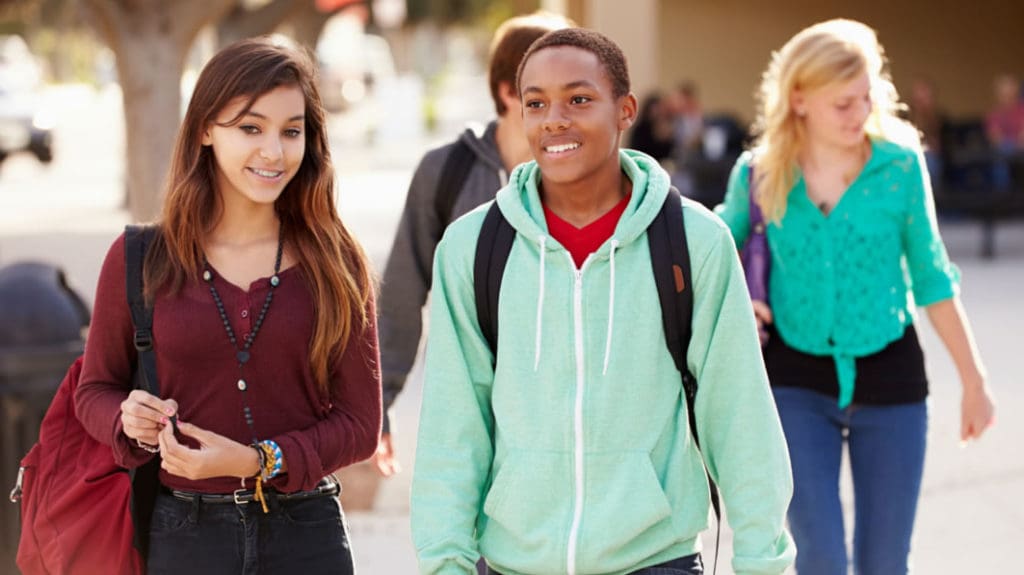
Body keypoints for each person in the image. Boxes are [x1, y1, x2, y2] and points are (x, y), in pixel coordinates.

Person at [411, 28, 795, 575]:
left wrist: (763, 561)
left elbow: (739, 417)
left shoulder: (695, 243)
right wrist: (445, 564)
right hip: (514, 562)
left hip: (654, 559)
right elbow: (454, 426)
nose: (555, 119)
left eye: (579, 99)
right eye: (536, 103)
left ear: (625, 110)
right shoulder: (474, 248)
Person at [74, 37, 382, 575]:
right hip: (182, 538)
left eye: (291, 131)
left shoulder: (337, 263)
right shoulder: (140, 257)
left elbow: (360, 423)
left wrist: (259, 460)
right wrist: (128, 418)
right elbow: (93, 391)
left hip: (307, 536)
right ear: (205, 131)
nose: (274, 152)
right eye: (250, 128)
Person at [715, 19, 997, 575]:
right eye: (842, 102)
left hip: (892, 381)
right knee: (819, 560)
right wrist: (739, 300)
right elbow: (713, 253)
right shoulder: (759, 174)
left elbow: (933, 278)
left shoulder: (900, 167)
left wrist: (974, 379)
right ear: (799, 100)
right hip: (794, 383)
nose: (860, 112)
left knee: (885, 564)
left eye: (867, 96)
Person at [374, 11, 573, 477]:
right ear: (508, 93)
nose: (562, 113)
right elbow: (403, 292)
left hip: (564, 409)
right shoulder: (445, 173)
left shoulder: (583, 175)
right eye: (544, 94)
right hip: (468, 407)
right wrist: (378, 402)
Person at [628, 91, 676, 164]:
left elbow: (668, 153)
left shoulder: (666, 127)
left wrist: (664, 139)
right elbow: (637, 149)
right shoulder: (641, 128)